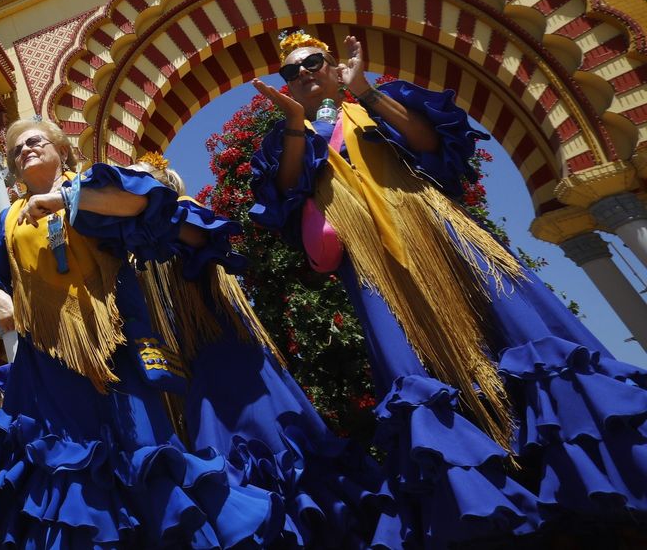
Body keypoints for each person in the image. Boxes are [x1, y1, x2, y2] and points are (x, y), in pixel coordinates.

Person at [251, 30, 647, 546]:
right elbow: (283, 195)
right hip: (373, 266)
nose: (304, 73)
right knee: (413, 373)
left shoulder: (377, 101)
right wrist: (296, 125)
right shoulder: (290, 138)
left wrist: (365, 92)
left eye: (314, 61)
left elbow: (431, 144)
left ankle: (598, 482)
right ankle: (487, 513)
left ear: (332, 61)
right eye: (291, 70)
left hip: (438, 233)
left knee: (518, 335)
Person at [0, 118, 275, 549]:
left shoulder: (92, 187)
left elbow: (143, 203)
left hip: (113, 347)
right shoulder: (10, 218)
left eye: (35, 141)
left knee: (140, 451)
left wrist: (65, 198)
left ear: (62, 149)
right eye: (16, 150)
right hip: (48, 365)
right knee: (66, 467)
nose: (25, 150)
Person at [131, 154, 380, 548]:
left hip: (230, 355)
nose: (135, 190)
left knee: (266, 444)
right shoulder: (138, 243)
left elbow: (199, 241)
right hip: (194, 368)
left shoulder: (185, 211)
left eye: (142, 182)